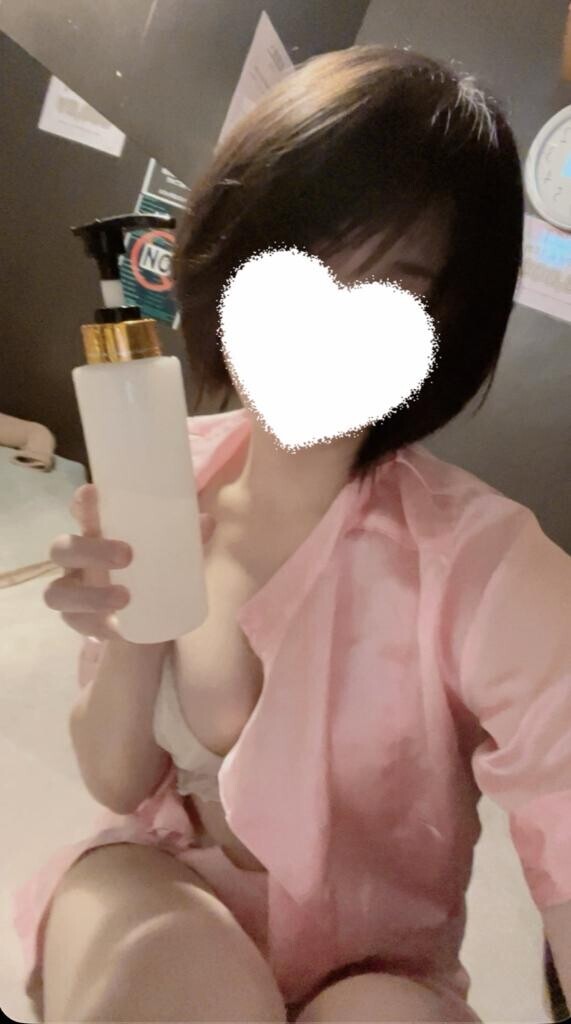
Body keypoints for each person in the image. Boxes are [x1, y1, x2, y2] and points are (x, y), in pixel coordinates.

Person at [13, 45, 571, 1023]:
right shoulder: (161, 466)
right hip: (153, 885)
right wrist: (135, 619)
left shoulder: (485, 565)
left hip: (374, 963)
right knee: (170, 961)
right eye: (297, 265)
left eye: (391, 287)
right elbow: (118, 777)